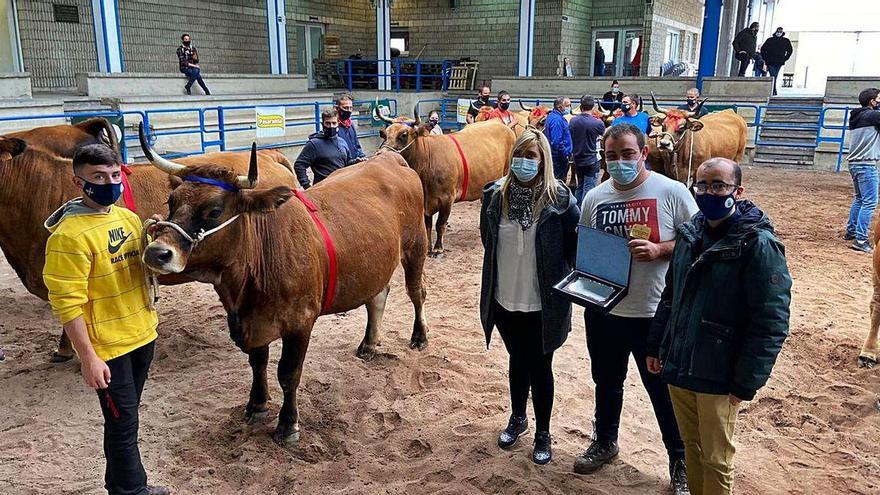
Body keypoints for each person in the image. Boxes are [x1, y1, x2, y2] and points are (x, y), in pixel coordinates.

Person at [647, 157, 792, 495]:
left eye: (719, 186)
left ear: (737, 192)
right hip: (681, 363)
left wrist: (746, 382)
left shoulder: (758, 245)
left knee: (716, 457)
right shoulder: (688, 234)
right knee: (691, 446)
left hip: (719, 373)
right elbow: (672, 294)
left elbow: (771, 321)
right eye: (702, 185)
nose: (709, 192)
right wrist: (656, 344)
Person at [575, 123, 697, 495]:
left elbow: (698, 241)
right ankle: (606, 442)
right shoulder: (595, 198)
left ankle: (680, 461)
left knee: (661, 391)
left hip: (653, 314)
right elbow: (586, 248)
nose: (620, 162)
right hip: (605, 312)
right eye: (611, 156)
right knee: (606, 383)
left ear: (643, 153)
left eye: (627, 154)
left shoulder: (672, 192)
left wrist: (661, 250)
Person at [42, 144, 169, 495]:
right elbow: (67, 304)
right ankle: (133, 491)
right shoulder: (68, 237)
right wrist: (88, 357)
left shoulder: (128, 218)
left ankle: (122, 486)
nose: (109, 183)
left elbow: (140, 266)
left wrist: (155, 237)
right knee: (123, 425)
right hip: (108, 348)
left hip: (143, 334)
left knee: (124, 422)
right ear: (78, 181)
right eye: (98, 177)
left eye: (115, 176)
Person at [479, 127, 580, 466]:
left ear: (543, 161)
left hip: (543, 303)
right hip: (505, 298)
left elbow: (573, 250)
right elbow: (488, 242)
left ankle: (543, 432)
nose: (524, 161)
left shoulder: (561, 202)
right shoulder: (494, 197)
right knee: (516, 358)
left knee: (541, 366)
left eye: (531, 156)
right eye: (519, 155)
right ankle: (518, 418)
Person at [844, 88, 880, 253]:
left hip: (854, 163)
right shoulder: (873, 116)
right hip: (867, 164)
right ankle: (860, 240)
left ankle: (851, 232)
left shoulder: (857, 116)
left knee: (859, 199)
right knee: (869, 202)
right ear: (872, 102)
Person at [294, 109, 354, 189]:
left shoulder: (342, 142)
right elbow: (299, 165)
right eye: (328, 123)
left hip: (341, 187)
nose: (331, 126)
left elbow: (346, 163)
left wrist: (356, 161)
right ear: (323, 124)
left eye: (334, 123)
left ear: (338, 123)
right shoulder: (314, 144)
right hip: (323, 190)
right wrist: (307, 186)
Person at [569, 95, 606, 203]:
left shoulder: (573, 121)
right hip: (591, 160)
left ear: (581, 106)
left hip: (577, 159)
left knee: (580, 186)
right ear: (593, 107)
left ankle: (577, 211)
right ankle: (585, 214)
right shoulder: (598, 123)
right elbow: (604, 135)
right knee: (589, 188)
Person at [543, 97, 573, 181]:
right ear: (559, 107)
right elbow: (556, 142)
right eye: (567, 106)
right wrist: (565, 154)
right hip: (558, 159)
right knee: (557, 182)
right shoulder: (557, 120)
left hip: (556, 157)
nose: (569, 108)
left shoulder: (553, 116)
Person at [760, 27, 793, 96]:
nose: (779, 33)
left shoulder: (785, 41)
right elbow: (763, 50)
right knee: (773, 75)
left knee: (774, 75)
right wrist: (765, 58)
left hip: (779, 61)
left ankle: (773, 89)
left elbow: (790, 50)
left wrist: (785, 58)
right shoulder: (770, 40)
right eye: (778, 31)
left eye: (780, 31)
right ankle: (773, 90)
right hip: (771, 61)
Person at [335, 94, 367, 162]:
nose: (348, 110)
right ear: (337, 108)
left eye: (350, 108)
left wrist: (362, 157)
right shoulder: (333, 127)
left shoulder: (350, 125)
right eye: (345, 108)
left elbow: (357, 146)